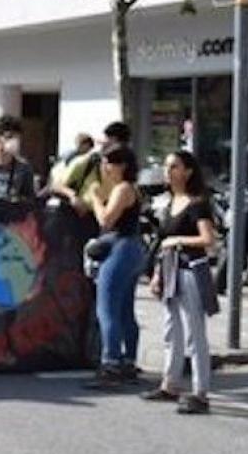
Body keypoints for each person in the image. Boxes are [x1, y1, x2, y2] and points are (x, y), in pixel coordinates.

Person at [145, 150, 218, 414]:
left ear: (187, 171)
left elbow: (208, 240)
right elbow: (162, 243)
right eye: (166, 166)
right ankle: (170, 383)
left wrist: (179, 241)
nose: (168, 171)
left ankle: (201, 391)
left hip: (190, 271)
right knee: (170, 329)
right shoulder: (168, 203)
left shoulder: (197, 203)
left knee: (194, 333)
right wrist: (157, 274)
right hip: (170, 270)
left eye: (174, 166)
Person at [86, 144, 144, 390]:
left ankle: (110, 363)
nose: (105, 167)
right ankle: (128, 360)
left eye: (109, 162)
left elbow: (106, 220)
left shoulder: (122, 189)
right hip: (132, 248)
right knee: (125, 309)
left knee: (107, 308)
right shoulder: (131, 189)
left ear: (123, 165)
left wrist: (96, 199)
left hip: (120, 248)